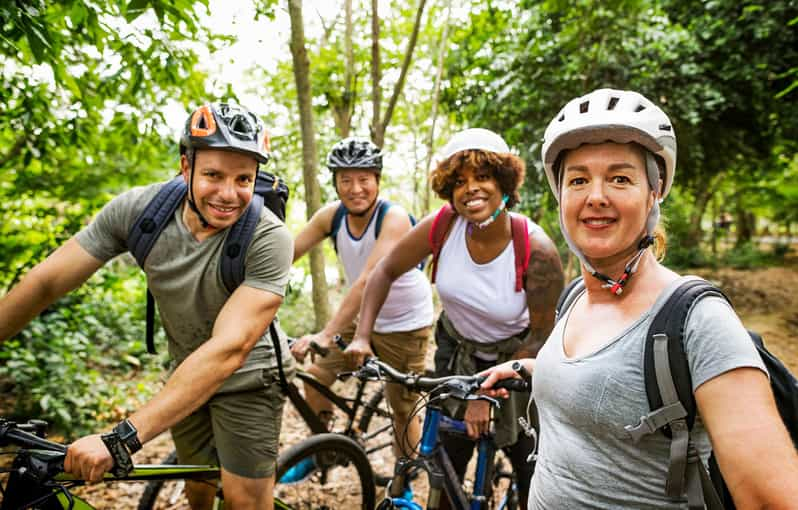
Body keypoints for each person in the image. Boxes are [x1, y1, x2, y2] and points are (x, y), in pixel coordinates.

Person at [480, 88, 798, 508]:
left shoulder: (697, 323)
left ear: (654, 192)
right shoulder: (576, 297)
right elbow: (615, 380)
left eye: (619, 178)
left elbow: (773, 499)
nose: (596, 195)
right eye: (578, 179)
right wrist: (538, 369)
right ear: (561, 197)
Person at [0, 102, 295, 510]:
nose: (229, 194)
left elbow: (231, 347)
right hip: (186, 371)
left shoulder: (269, 237)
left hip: (249, 378)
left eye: (244, 179)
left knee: (245, 501)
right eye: (213, 175)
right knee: (198, 488)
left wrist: (122, 437)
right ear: (185, 168)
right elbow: (46, 281)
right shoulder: (142, 213)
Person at [349, 128, 565, 508]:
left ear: (503, 183)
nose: (471, 189)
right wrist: (362, 336)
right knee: (443, 468)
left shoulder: (537, 249)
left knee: (531, 470)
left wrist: (485, 391)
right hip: (457, 355)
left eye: (482, 177)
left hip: (517, 359)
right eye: (460, 181)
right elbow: (384, 271)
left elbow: (543, 334)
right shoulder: (442, 226)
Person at [290, 137, 434, 458]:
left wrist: (327, 334)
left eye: (364, 179)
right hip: (359, 318)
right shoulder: (331, 217)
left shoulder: (393, 217)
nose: (356, 188)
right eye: (346, 180)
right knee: (314, 379)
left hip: (404, 323)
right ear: (336, 184)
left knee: (402, 407)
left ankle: (404, 484)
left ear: (377, 181)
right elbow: (286, 254)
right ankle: (325, 449)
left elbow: (369, 278)